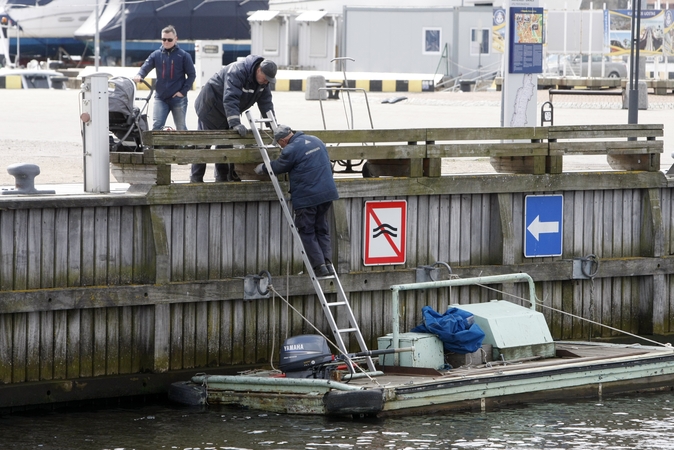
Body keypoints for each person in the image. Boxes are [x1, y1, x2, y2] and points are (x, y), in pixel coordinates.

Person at [254, 125, 338, 277]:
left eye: (279, 143)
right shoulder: (316, 140)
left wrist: (263, 168)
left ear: (283, 140)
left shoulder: (291, 149)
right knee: (321, 229)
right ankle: (328, 264)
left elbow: (279, 166)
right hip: (327, 194)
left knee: (307, 231)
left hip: (307, 197)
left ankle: (319, 267)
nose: (280, 146)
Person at [191, 55, 277, 183]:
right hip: (210, 107)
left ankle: (222, 179)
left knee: (225, 145)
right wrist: (235, 123)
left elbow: (266, 104)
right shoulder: (237, 71)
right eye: (265, 79)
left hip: (228, 111)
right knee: (203, 144)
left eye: (269, 80)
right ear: (259, 70)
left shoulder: (263, 83)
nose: (266, 82)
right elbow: (231, 98)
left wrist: (274, 126)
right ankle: (196, 179)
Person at [133, 25, 196, 131]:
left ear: (176, 39)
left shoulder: (184, 56)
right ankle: (157, 147)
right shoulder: (156, 55)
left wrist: (182, 92)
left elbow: (192, 75)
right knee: (157, 126)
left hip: (178, 98)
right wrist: (140, 75)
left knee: (181, 127)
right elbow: (146, 66)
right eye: (163, 39)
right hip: (160, 97)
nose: (166, 42)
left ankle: (183, 147)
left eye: (169, 40)